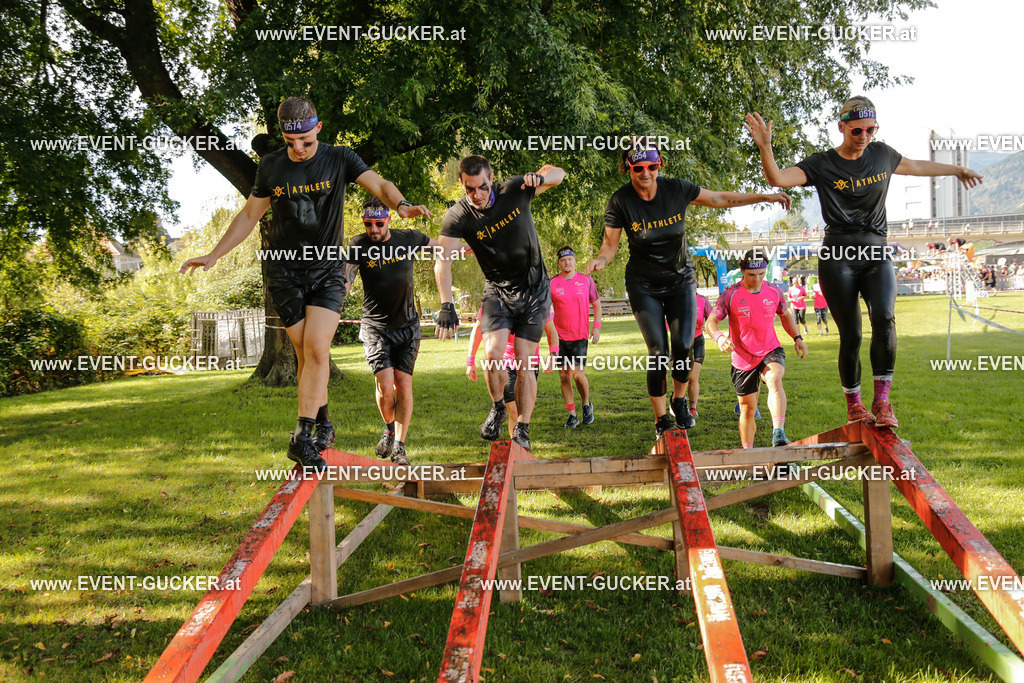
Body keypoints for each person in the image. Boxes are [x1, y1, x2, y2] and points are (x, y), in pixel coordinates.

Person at [180, 96, 430, 471]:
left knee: (315, 347)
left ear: (318, 129)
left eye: (306, 142)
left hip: (328, 270)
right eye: (289, 140)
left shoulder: (340, 158)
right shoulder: (271, 166)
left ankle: (301, 437)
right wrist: (214, 254)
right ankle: (324, 420)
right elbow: (250, 215)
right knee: (305, 353)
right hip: (285, 273)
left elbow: (379, 183)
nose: (298, 149)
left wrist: (401, 205)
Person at [745, 98, 982, 427]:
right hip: (837, 256)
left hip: (875, 253)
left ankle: (882, 402)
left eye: (871, 129)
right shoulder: (823, 163)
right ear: (842, 126)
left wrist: (957, 169)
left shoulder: (882, 154)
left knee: (884, 318)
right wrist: (766, 148)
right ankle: (854, 404)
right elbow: (778, 179)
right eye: (857, 130)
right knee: (852, 335)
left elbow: (915, 166)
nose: (864, 136)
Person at [585, 139, 790, 438]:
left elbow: (720, 198)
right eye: (638, 167)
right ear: (628, 167)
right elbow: (609, 244)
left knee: (683, 347)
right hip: (644, 285)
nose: (646, 174)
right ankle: (660, 420)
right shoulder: (621, 201)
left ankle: (679, 400)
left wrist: (766, 197)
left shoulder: (677, 189)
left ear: (660, 165)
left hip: (681, 280)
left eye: (652, 167)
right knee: (658, 352)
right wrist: (601, 261)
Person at [435, 155, 565, 450]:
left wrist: (541, 178)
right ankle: (496, 407)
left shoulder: (514, 189)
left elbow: (559, 173)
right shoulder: (458, 215)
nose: (477, 195)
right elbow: (443, 259)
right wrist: (446, 304)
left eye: (482, 187)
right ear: (462, 185)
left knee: (523, 358)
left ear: (491, 178)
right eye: (470, 189)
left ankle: (522, 427)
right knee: (493, 354)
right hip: (497, 291)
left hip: (534, 290)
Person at [343, 198, 441, 465]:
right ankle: (388, 427)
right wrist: (329, 307)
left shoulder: (408, 238)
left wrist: (476, 246)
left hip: (408, 326)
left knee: (404, 385)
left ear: (388, 220)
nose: (373, 229)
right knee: (385, 386)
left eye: (378, 223)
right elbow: (346, 281)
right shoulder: (358, 245)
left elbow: (444, 248)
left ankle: (399, 446)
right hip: (375, 327)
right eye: (368, 224)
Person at [707, 249, 808, 448]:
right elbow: (711, 322)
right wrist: (719, 338)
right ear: (742, 270)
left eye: (762, 274)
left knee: (774, 378)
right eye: (752, 275)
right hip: (742, 356)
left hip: (770, 349)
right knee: (747, 409)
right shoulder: (730, 295)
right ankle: (748, 453)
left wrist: (797, 338)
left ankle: (778, 433)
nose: (757, 279)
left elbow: (785, 315)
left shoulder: (774, 291)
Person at [465, 306, 558, 437]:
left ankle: (520, 443)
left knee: (523, 413)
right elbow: (479, 328)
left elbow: (551, 331)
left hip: (528, 362)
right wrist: (470, 360)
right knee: (513, 409)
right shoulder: (497, 297)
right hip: (505, 360)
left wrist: (554, 354)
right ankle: (516, 447)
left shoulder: (537, 299)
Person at [549, 246, 601, 428]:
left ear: (574, 261)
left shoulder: (586, 281)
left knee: (578, 375)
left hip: (580, 335)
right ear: (559, 263)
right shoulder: (552, 283)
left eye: (569, 259)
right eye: (563, 260)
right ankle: (572, 415)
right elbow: (544, 309)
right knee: (564, 377)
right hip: (559, 337)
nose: (567, 263)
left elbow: (596, 304)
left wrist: (596, 327)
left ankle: (586, 404)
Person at [686, 291, 713, 420]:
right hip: (681, 342)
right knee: (681, 377)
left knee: (693, 377)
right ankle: (677, 403)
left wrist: (707, 324)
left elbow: (713, 318)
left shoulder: (703, 300)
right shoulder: (676, 298)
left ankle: (692, 408)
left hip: (697, 341)